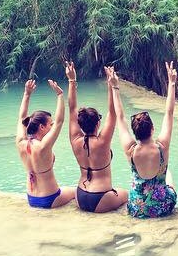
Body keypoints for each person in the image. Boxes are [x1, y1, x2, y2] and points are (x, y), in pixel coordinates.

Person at [109, 63, 178, 218]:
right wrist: (172, 83)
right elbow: (169, 112)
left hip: (136, 207)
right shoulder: (162, 147)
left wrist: (115, 87)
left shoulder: (130, 150)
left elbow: (120, 117)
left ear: (135, 133)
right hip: (162, 206)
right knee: (169, 175)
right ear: (152, 129)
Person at [66, 61, 128, 213]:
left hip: (80, 194)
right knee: (126, 194)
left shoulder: (75, 140)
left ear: (80, 124)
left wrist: (71, 80)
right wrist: (111, 84)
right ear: (98, 123)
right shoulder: (102, 142)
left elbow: (72, 107)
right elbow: (112, 112)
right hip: (101, 197)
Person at [16, 79, 75, 208]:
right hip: (50, 199)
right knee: (76, 192)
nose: (53, 125)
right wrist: (60, 95)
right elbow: (59, 121)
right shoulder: (43, 146)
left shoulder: (21, 143)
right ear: (42, 127)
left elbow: (21, 119)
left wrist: (27, 94)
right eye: (50, 124)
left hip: (31, 198)